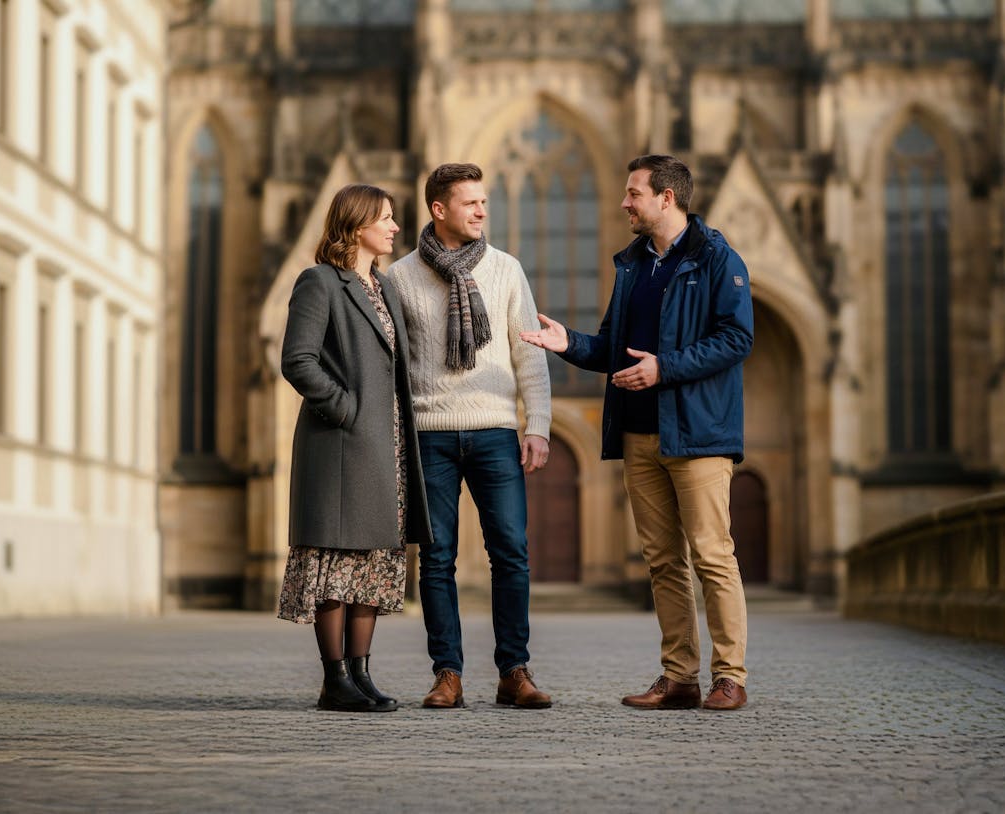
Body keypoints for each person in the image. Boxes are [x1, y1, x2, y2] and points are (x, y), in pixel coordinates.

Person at [520, 154, 754, 711]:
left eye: (634, 193)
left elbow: (737, 338)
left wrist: (663, 368)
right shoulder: (632, 266)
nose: (624, 202)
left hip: (698, 434)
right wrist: (568, 344)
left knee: (712, 556)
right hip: (639, 433)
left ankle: (730, 676)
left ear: (666, 198)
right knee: (662, 560)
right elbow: (611, 347)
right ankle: (679, 676)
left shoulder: (718, 258)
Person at [384, 163, 553, 709]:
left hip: (496, 432)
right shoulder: (400, 277)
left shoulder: (506, 270)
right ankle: (447, 674)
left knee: (511, 553)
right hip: (430, 435)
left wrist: (539, 426)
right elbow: (397, 368)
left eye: (484, 202)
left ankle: (514, 671)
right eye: (471, 203)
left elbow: (529, 353)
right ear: (439, 209)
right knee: (436, 560)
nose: (483, 210)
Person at [277, 183, 433, 713]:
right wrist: (344, 407)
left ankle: (362, 674)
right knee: (337, 559)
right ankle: (334, 678)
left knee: (371, 561)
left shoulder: (385, 288)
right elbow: (297, 360)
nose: (394, 227)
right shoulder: (319, 283)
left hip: (385, 441)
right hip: (341, 439)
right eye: (385, 218)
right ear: (357, 224)